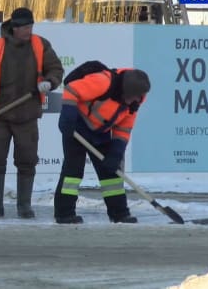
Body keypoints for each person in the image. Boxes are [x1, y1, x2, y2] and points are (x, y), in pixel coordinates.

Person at [0, 7, 64, 219]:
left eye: (31, 26)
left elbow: (56, 69)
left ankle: (24, 206)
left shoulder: (40, 45)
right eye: (25, 27)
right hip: (0, 116)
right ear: (14, 28)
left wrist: (49, 82)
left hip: (27, 115)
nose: (29, 30)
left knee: (27, 161)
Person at [54, 61, 151, 224]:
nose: (136, 99)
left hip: (101, 132)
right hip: (77, 126)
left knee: (111, 174)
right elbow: (71, 90)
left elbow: (123, 128)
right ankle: (64, 213)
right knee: (73, 171)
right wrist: (68, 118)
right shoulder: (103, 81)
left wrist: (116, 152)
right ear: (125, 91)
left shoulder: (135, 101)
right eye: (133, 96)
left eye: (138, 97)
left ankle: (119, 214)